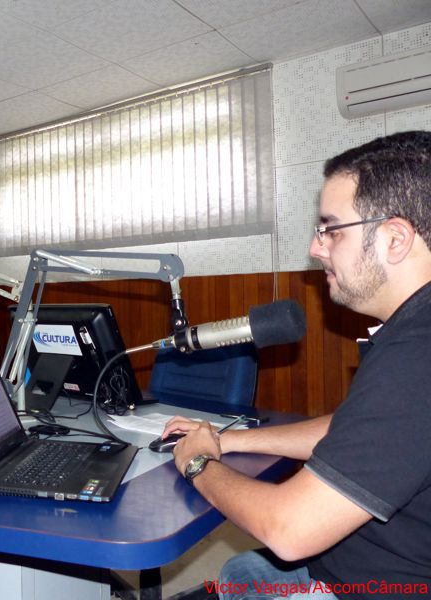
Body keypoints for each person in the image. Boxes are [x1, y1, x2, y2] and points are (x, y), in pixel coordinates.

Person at [160, 131, 431, 599]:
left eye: (331, 229)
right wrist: (228, 439)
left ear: (395, 238)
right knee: (239, 572)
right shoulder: (413, 332)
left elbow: (290, 531)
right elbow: (356, 431)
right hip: (347, 564)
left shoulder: (416, 357)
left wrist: (198, 461)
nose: (315, 247)